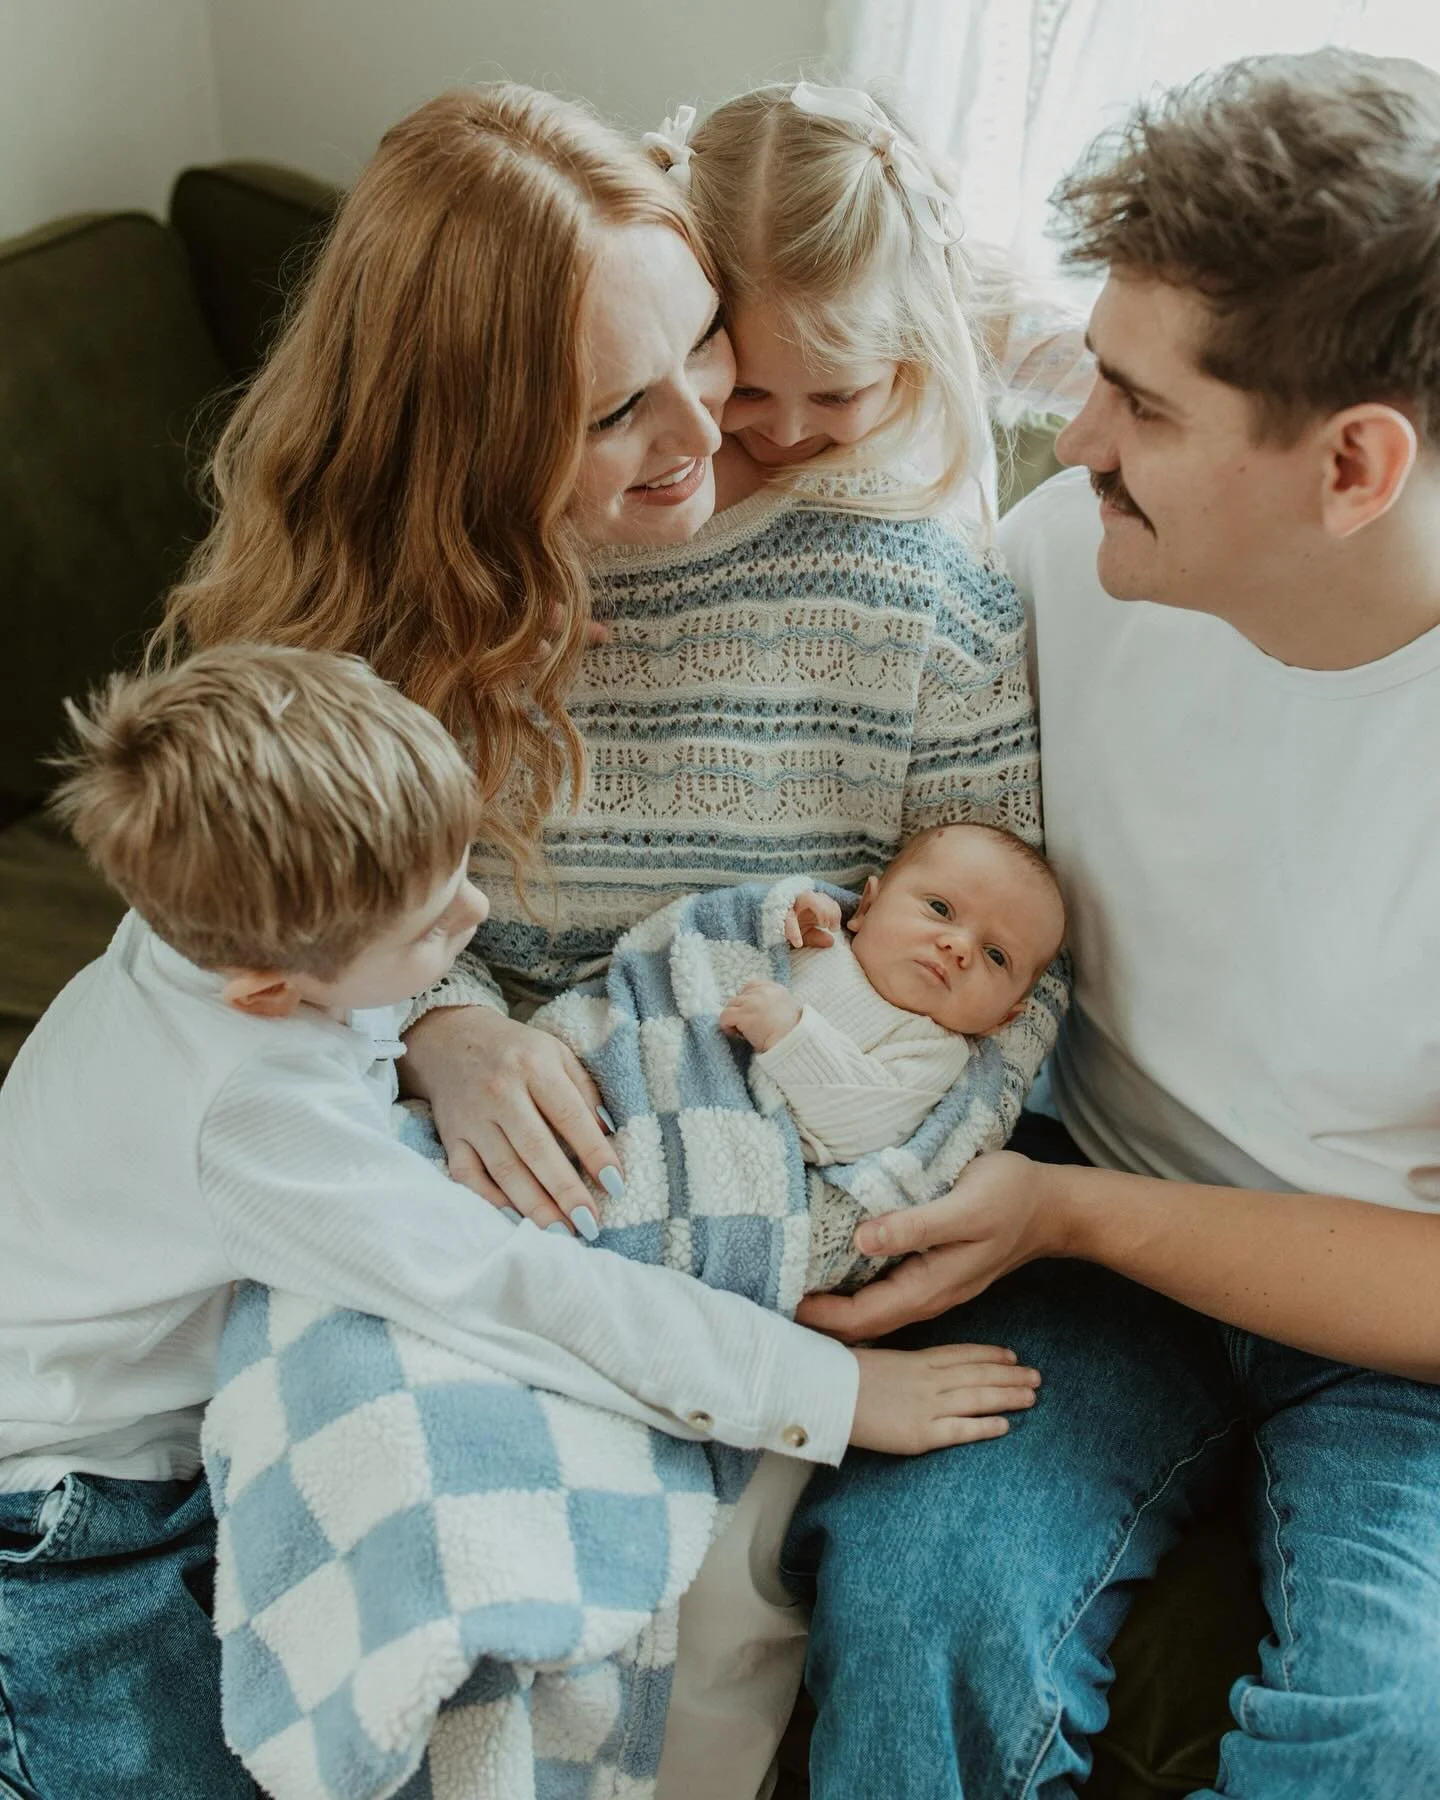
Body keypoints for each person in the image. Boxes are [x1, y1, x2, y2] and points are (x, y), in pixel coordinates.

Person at [149, 83, 1053, 1800]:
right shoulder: (400, 596)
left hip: (779, 1147)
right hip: (504, 1129)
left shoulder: (922, 598)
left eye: (699, 353)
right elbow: (304, 907)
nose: (717, 444)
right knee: (344, 1412)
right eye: (617, 410)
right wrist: (448, 1026)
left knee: (671, 1555)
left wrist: (870, 1144)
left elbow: (1002, 959)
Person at [0, 646, 1023, 1800]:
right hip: (61, 1512)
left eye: (461, 863)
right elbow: (511, 1289)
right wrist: (831, 1391)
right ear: (267, 991)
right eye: (432, 932)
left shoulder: (206, 910)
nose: (477, 912)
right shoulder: (253, 1117)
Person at [785, 50, 1440, 1800]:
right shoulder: (1069, 556)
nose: (1075, 436)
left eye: (1142, 408)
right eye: (1091, 373)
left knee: (1388, 1733)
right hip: (1071, 1226)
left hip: (1391, 1326)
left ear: (1356, 464)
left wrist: (1073, 1212)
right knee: (923, 1608)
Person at [679, 79, 1094, 520]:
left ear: (915, 337)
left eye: (837, 398)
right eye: (746, 391)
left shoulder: (953, 320)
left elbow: (1145, 385)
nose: (785, 433)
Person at [720, 823, 1066, 1172]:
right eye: (940, 909)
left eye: (996, 956)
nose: (959, 947)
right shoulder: (821, 933)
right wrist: (778, 918)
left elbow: (859, 1129)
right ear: (867, 907)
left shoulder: (934, 1050)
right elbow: (724, 946)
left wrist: (790, 1034)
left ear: (1001, 1018)